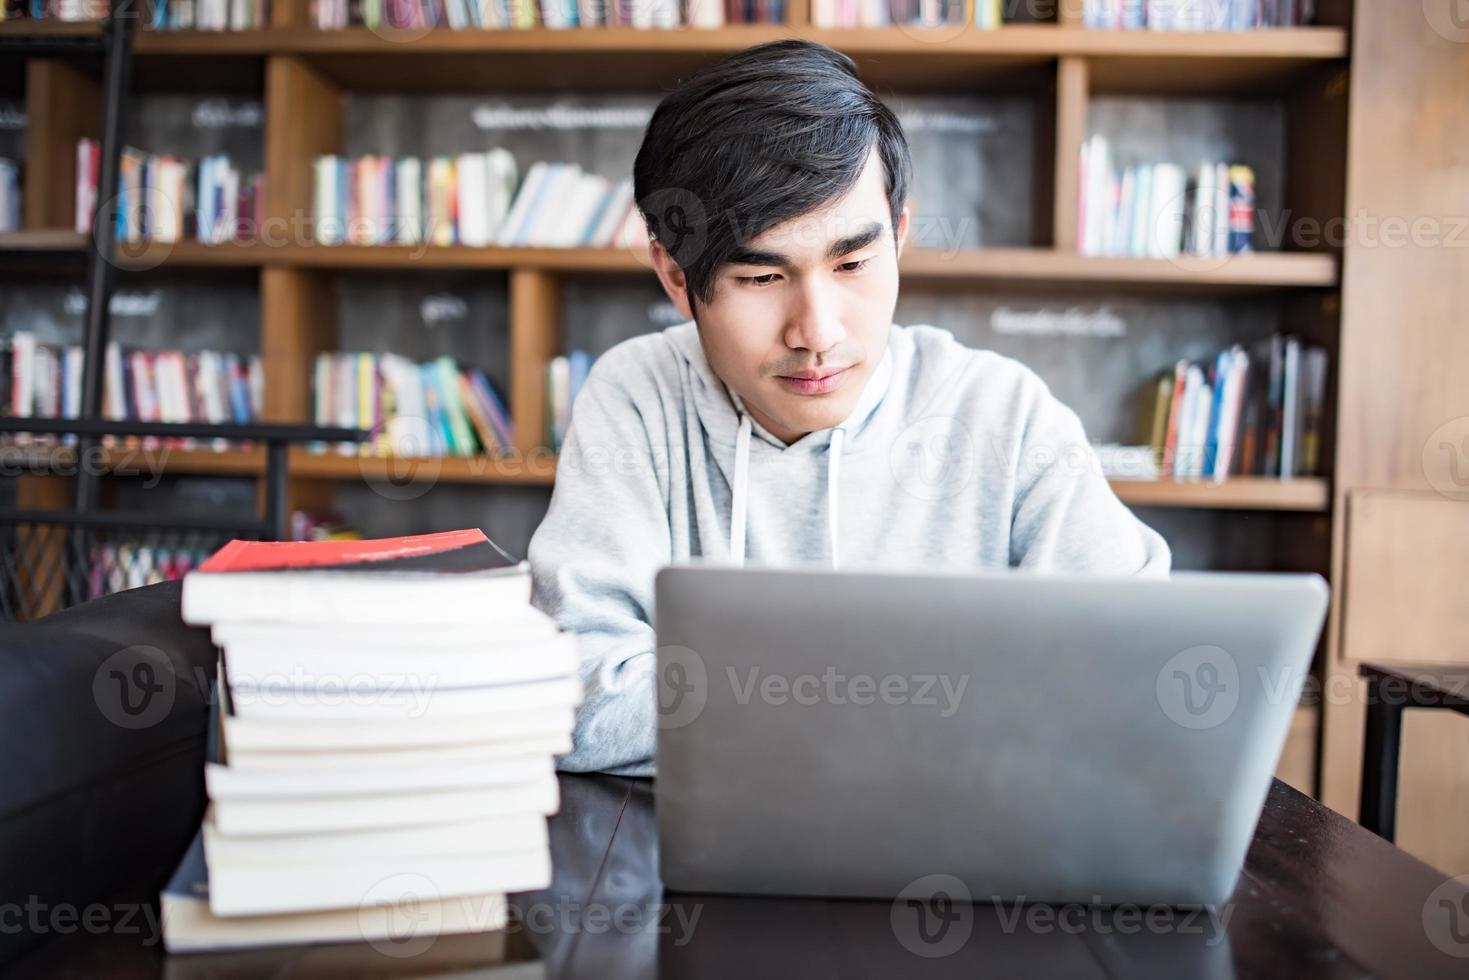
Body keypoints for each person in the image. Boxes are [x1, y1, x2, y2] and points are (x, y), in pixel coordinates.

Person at [528, 39, 1170, 776]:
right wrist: (912, 698)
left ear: (898, 235)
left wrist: (750, 702)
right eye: (763, 276)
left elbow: (1130, 669)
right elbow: (578, 696)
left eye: (854, 264)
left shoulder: (1002, 412)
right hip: (701, 865)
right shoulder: (637, 399)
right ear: (676, 278)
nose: (818, 333)